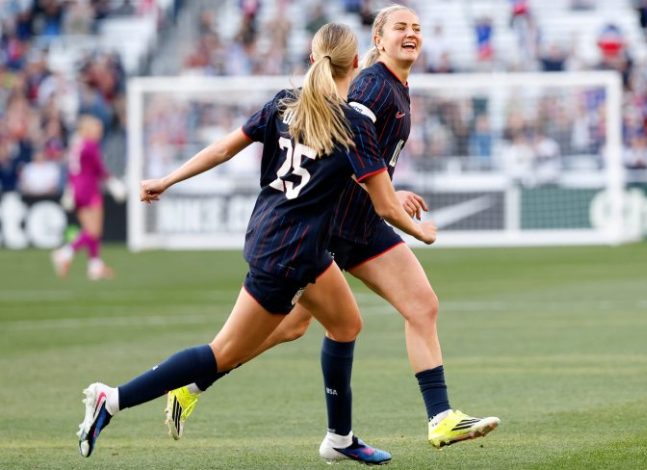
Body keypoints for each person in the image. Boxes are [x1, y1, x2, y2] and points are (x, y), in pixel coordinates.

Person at [76, 22, 436, 465]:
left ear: (311, 60)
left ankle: (340, 438)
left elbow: (225, 149)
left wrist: (168, 180)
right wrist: (421, 232)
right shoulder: (354, 124)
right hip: (287, 256)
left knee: (345, 325)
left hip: (285, 240)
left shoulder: (284, 104)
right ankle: (111, 399)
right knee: (220, 353)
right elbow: (384, 205)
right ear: (357, 64)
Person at [166, 5, 500, 449]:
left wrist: (388, 193)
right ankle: (193, 382)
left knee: (418, 306)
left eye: (417, 28)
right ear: (376, 41)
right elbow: (337, 147)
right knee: (289, 326)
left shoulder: (396, 86)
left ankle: (439, 418)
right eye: (400, 27)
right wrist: (391, 204)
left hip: (362, 223)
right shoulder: (370, 87)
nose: (411, 34)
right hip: (334, 228)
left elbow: (364, 160)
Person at [51, 115, 119, 280]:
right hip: (89, 189)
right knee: (94, 230)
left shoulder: (77, 146)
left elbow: (72, 170)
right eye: (96, 128)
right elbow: (99, 168)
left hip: (78, 190)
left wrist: (70, 190)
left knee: (90, 230)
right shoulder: (89, 145)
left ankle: (94, 266)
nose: (99, 131)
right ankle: (65, 253)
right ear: (87, 129)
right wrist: (113, 182)